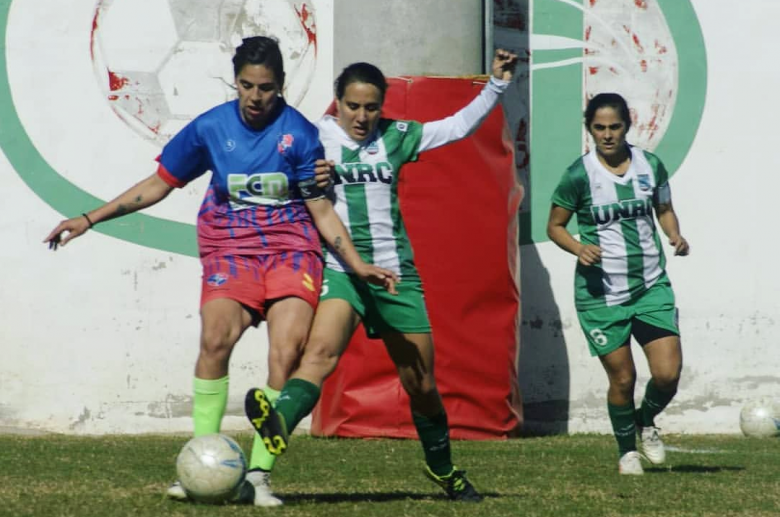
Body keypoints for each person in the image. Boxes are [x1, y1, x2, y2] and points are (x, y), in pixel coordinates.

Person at [43, 36, 396, 506]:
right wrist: (89, 219)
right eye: (247, 86)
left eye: (266, 87)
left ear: (282, 86)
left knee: (286, 354)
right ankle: (201, 461)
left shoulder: (300, 134)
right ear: (235, 82)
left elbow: (322, 210)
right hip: (230, 248)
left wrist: (356, 265)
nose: (255, 97)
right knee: (214, 341)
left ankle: (258, 477)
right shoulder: (209, 128)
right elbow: (157, 184)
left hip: (292, 248)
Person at [244, 49, 519, 503]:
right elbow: (283, 183)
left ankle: (442, 468)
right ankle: (258, 471)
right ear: (338, 102)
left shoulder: (397, 136)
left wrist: (497, 85)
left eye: (371, 107)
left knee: (421, 383)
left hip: (395, 277)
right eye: (353, 105)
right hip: (342, 269)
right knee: (318, 357)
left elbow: (455, 128)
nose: (362, 115)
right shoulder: (314, 138)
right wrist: (304, 179)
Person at [546, 93, 689, 475]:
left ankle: (645, 420)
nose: (607, 135)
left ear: (628, 125)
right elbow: (554, 226)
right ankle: (627, 451)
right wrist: (578, 248)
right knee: (623, 378)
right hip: (601, 294)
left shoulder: (650, 165)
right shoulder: (579, 175)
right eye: (599, 128)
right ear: (589, 128)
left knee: (667, 374)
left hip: (650, 285)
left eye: (614, 127)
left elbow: (664, 208)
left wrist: (674, 235)